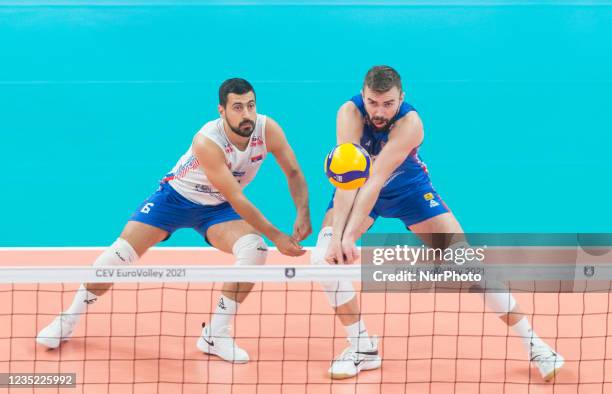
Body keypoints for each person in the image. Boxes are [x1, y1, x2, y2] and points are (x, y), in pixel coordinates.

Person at [310, 65, 564, 380]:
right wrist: (339, 238)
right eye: (373, 102)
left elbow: (376, 179)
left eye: (388, 103)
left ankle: (536, 345)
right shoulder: (348, 113)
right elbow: (350, 180)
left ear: (401, 97)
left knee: (468, 263)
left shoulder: (411, 124)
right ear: (363, 95)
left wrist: (348, 236)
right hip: (358, 189)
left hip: (408, 190)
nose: (379, 111)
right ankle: (362, 347)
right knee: (322, 256)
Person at [36, 78, 312, 364]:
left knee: (254, 251)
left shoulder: (268, 130)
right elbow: (237, 199)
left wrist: (303, 213)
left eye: (251, 106)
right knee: (116, 257)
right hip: (175, 199)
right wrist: (278, 236)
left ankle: (216, 334)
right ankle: (68, 319)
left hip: (216, 209)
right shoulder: (208, 141)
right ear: (222, 111)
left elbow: (292, 171)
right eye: (238, 107)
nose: (247, 114)